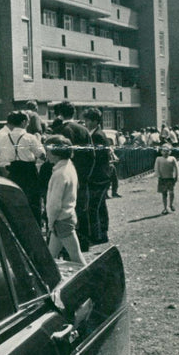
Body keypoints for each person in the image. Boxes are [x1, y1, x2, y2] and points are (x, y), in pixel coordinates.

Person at [50, 101, 93, 251]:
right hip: (81, 176)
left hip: (66, 175)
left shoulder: (61, 131)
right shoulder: (84, 130)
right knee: (82, 209)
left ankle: (68, 248)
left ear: (59, 114)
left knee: (66, 211)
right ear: (73, 113)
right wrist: (85, 176)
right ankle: (83, 243)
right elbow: (91, 155)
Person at [0, 110, 45, 220]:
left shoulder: (5, 137)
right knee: (33, 203)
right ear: (24, 122)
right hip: (28, 172)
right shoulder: (29, 137)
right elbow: (42, 155)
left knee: (16, 203)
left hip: (13, 171)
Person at [44, 135, 85, 265]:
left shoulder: (59, 174)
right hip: (66, 217)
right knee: (51, 256)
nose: (46, 155)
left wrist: (50, 222)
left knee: (76, 258)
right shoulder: (69, 167)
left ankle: (93, 282)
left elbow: (54, 204)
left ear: (56, 154)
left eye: (48, 151)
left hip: (61, 220)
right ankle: (49, 281)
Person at [83, 107, 113, 245]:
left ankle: (97, 235)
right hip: (103, 176)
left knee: (93, 207)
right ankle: (103, 233)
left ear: (95, 121)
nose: (86, 123)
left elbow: (96, 159)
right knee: (100, 206)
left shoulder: (97, 136)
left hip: (98, 177)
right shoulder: (98, 134)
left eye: (88, 120)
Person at [154, 144, 179, 214]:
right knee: (164, 194)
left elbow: (176, 168)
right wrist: (159, 176)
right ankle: (165, 208)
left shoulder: (172, 158)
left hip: (170, 178)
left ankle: (171, 205)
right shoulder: (158, 159)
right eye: (164, 151)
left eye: (167, 151)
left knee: (171, 192)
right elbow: (156, 168)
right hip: (162, 179)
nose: (166, 153)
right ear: (161, 152)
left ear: (170, 152)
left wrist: (176, 176)